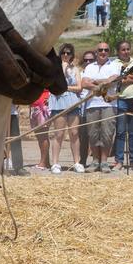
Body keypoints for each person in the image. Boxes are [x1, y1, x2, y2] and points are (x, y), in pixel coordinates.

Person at [79, 41, 121, 171]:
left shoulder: (114, 65)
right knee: (93, 134)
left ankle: (104, 162)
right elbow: (84, 83)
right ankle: (95, 161)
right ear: (96, 52)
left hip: (109, 104)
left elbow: (114, 79)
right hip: (92, 105)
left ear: (109, 52)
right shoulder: (90, 67)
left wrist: (96, 81)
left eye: (106, 50)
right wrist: (103, 83)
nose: (103, 52)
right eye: (101, 50)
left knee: (107, 133)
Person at [47, 44, 85, 174]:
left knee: (74, 133)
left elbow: (79, 87)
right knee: (59, 134)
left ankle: (76, 162)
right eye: (63, 53)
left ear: (72, 55)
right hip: (59, 102)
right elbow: (56, 84)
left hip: (73, 102)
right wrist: (62, 69)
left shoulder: (76, 69)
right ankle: (55, 163)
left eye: (68, 53)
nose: (65, 55)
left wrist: (66, 87)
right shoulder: (56, 69)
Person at [111, 40, 133, 170]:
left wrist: (127, 78)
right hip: (120, 99)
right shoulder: (114, 64)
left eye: (128, 49)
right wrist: (130, 78)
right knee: (121, 131)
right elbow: (114, 79)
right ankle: (119, 160)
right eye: (123, 49)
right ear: (118, 51)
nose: (126, 52)